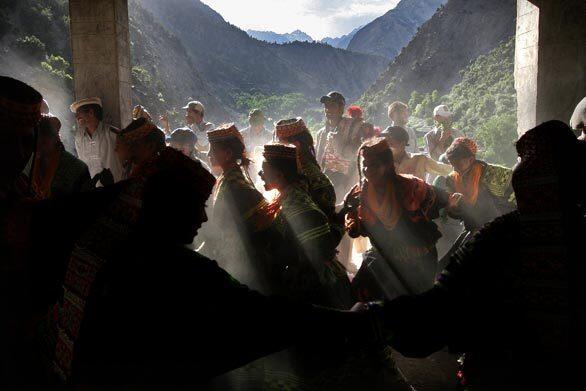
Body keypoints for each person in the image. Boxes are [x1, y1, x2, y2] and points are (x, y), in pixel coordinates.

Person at [44, 147, 380, 388]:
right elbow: (265, 315)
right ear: (168, 208)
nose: (204, 217)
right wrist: (347, 320)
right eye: (195, 207)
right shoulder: (175, 269)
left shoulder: (107, 246)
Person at [373, 120, 586, 389]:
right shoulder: (502, 230)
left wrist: (376, 317)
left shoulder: (500, 238)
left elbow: (440, 310)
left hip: (502, 374)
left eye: (523, 160)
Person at [344, 138, 458, 300]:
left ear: (388, 164)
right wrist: (353, 216)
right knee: (360, 296)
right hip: (384, 259)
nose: (367, 170)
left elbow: (444, 200)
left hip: (418, 261)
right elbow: (354, 230)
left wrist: (454, 206)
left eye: (374, 165)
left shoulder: (411, 187)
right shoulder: (358, 194)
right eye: (365, 165)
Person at [259, 143, 352, 308]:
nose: (260, 175)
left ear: (280, 175)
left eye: (264, 171)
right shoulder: (289, 196)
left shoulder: (299, 207)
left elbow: (323, 249)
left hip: (317, 289)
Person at [207, 123, 271, 289]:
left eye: (213, 150)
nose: (208, 154)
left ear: (228, 154)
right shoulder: (228, 178)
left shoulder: (236, 185)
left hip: (242, 260)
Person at [275, 117, 342, 244]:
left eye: (280, 143)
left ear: (296, 145)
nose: (276, 149)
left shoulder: (311, 176)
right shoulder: (294, 173)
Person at [444, 137, 515, 234]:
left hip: (499, 227)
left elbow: (515, 195)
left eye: (458, 164)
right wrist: (452, 207)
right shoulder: (451, 180)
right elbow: (457, 215)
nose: (454, 168)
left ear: (471, 159)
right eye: (452, 164)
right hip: (473, 229)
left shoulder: (492, 173)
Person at [315, 91, 371, 200]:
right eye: (326, 106)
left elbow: (358, 156)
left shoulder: (354, 128)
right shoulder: (321, 133)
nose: (328, 109)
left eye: (332, 105)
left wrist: (339, 144)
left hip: (346, 185)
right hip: (325, 184)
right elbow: (318, 159)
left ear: (341, 108)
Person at [31, 115, 91, 199]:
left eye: (44, 143)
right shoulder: (29, 162)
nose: (39, 147)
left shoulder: (77, 168)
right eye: (35, 142)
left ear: (55, 139)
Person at [71, 97, 124, 185]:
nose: (76, 117)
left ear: (91, 113)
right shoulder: (79, 138)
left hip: (114, 189)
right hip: (92, 190)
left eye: (79, 113)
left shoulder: (113, 134)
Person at [382, 125, 452, 181]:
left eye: (390, 143)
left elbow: (443, 169)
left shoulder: (420, 159)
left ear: (402, 144)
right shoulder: (381, 165)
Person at [424, 105, 462, 183]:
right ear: (436, 118)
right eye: (445, 117)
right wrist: (442, 139)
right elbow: (433, 157)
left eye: (449, 116)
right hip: (436, 176)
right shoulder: (429, 136)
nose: (448, 119)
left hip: (454, 176)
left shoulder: (457, 133)